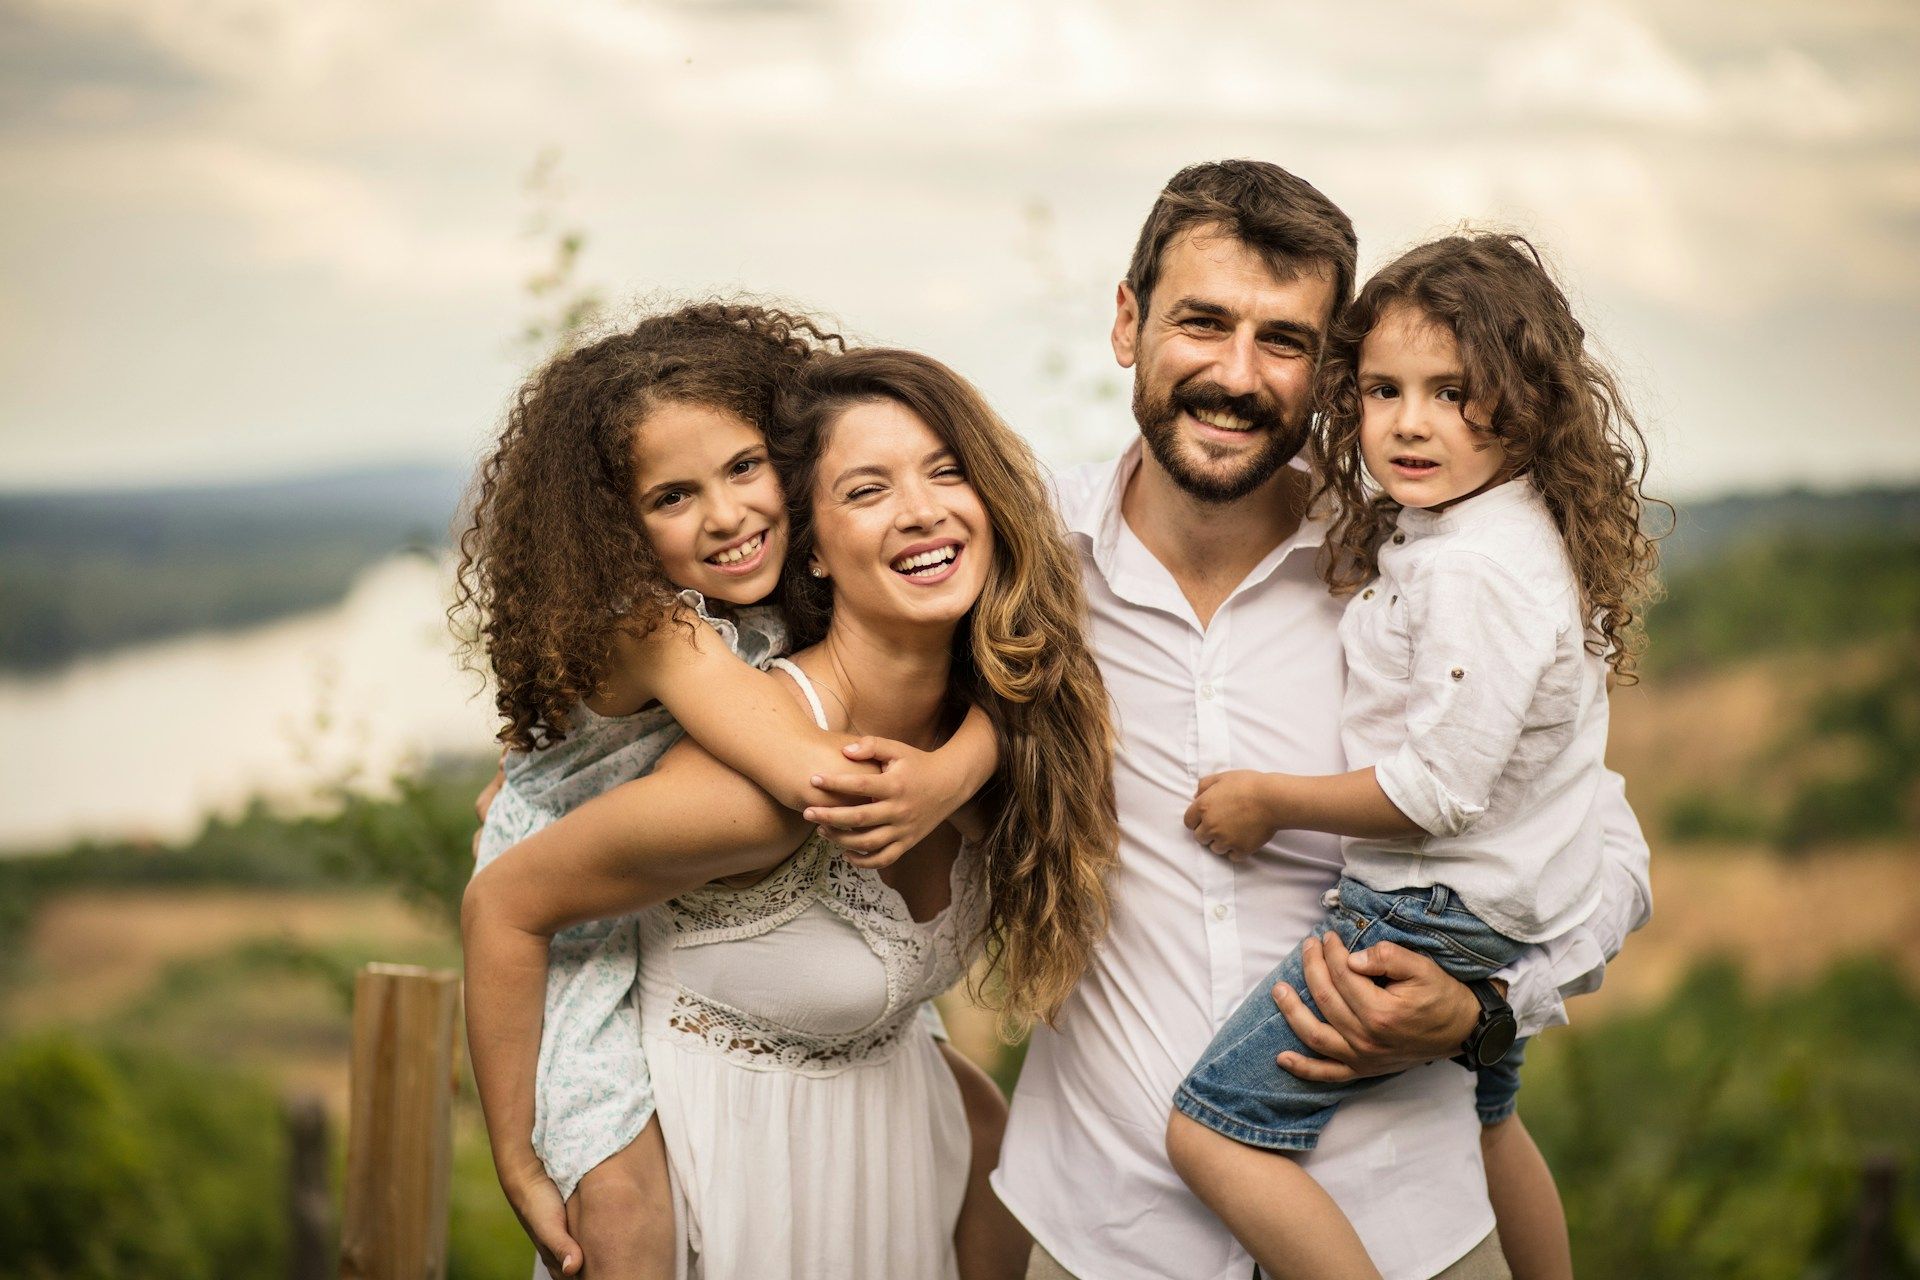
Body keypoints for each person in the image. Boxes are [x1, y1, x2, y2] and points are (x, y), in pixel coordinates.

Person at [990, 161, 1653, 1280]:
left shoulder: (1409, 574)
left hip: (1409, 1223)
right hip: (1107, 1227)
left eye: (1285, 339)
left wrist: (1484, 1008)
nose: (1237, 374)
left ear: (1326, 367)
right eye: (1202, 321)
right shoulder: (1022, 571)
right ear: (1126, 320)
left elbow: (1606, 847)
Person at [463, 347, 1117, 1280]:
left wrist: (964, 763)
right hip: (717, 1144)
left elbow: (1030, 695)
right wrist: (519, 1155)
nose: (923, 508)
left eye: (946, 471)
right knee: (616, 1215)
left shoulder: (975, 710)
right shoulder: (708, 693)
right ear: (816, 543)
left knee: (990, 1132)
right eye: (865, 491)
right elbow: (820, 775)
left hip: (883, 1139)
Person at [1170, 232, 1663, 1279]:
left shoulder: (1471, 571)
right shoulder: (1490, 531)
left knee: (1212, 1128)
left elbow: (1437, 788)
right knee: (1493, 1121)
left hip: (1421, 906)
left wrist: (1269, 801)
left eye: (1452, 392)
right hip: (1504, 902)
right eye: (1384, 391)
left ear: (1528, 401)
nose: (1409, 421)